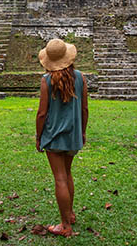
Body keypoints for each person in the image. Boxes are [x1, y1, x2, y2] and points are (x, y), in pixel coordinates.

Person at [35, 38, 89, 237]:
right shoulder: (80, 77)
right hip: (73, 135)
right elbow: (84, 109)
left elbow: (42, 113)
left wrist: (38, 137)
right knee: (67, 174)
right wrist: (82, 132)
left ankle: (65, 225)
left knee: (60, 178)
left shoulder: (46, 81)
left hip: (54, 135)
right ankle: (70, 213)